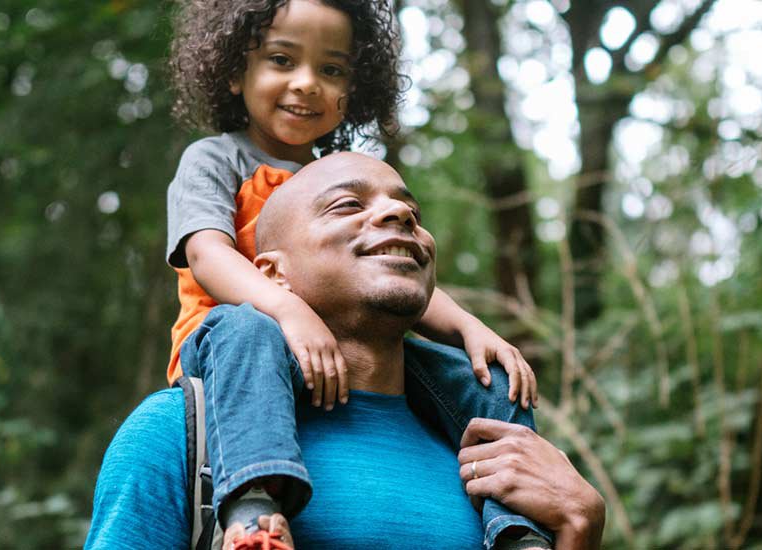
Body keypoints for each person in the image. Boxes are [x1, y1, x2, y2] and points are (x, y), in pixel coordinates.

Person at [160, 0, 540, 547]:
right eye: (282, 60)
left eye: (332, 69)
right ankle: (253, 508)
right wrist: (286, 309)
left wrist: (469, 330)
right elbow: (206, 255)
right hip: (234, 350)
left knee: (490, 378)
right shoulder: (215, 160)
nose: (308, 84)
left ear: (354, 91)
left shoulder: (341, 178)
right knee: (251, 328)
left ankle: (519, 533)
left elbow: (387, 270)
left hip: (344, 355)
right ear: (233, 73)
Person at [90, 153, 605, 549]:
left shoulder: (493, 449)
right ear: (272, 275)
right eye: (348, 205)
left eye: (410, 210)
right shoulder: (176, 436)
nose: (400, 213)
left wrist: (579, 526)